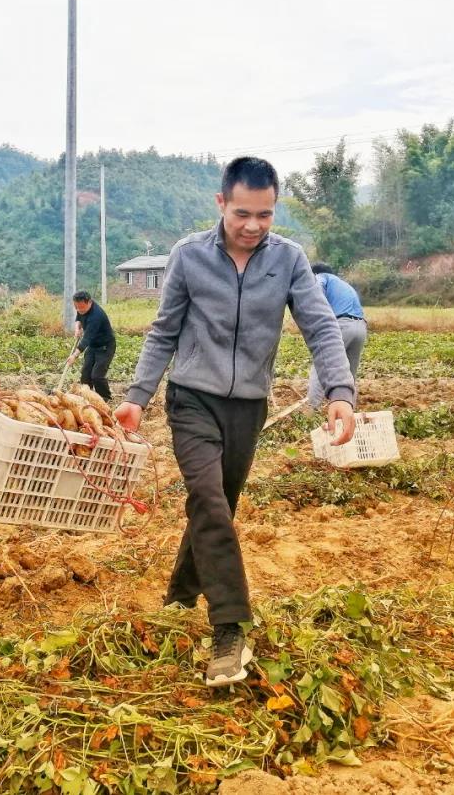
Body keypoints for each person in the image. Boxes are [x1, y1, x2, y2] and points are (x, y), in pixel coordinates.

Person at [113, 156, 357, 687]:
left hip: (248, 406)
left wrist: (340, 391)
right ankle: (229, 628)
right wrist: (138, 396)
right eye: (243, 213)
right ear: (221, 203)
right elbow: (164, 331)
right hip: (191, 400)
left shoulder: (289, 260)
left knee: (215, 506)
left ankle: (179, 596)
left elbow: (319, 326)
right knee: (207, 498)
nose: (253, 226)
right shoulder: (188, 256)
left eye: (265, 215)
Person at [307, 264, 367, 409]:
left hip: (341, 325)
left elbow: (315, 292)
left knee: (321, 366)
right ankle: (349, 410)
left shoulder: (321, 277)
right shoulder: (344, 284)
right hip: (360, 327)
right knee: (349, 373)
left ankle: (310, 410)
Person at [66, 290, 116, 401]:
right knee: (85, 375)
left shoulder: (96, 316)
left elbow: (86, 339)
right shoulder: (81, 306)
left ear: (89, 302)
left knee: (97, 376)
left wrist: (74, 356)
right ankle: (86, 398)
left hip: (105, 347)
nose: (79, 310)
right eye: (77, 308)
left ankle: (105, 398)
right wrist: (77, 328)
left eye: (82, 308)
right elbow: (79, 318)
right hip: (93, 346)